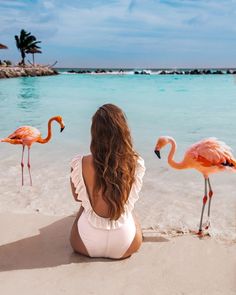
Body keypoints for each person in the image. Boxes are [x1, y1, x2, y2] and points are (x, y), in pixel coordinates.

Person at [70, 104, 145, 259]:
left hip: (85, 243)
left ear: (94, 132)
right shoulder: (135, 163)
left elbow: (77, 197)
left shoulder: (80, 163)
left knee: (84, 206)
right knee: (129, 209)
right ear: (123, 132)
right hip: (125, 242)